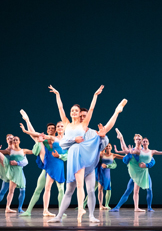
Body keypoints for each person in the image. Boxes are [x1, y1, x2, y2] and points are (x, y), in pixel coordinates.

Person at [47, 85, 127, 223]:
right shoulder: (66, 124)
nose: (73, 112)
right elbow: (60, 108)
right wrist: (57, 94)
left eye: (76, 111)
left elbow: (91, 109)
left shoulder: (84, 125)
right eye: (72, 110)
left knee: (90, 190)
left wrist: (95, 96)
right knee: (69, 190)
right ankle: (59, 216)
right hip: (74, 156)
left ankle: (89, 215)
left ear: (79, 114)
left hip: (84, 153)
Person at [114, 133, 162, 211]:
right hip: (135, 173)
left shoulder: (144, 151)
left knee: (149, 189)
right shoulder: (135, 150)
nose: (139, 140)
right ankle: (118, 207)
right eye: (137, 139)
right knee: (129, 190)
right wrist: (121, 139)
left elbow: (153, 160)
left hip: (143, 172)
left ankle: (149, 207)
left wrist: (147, 165)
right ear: (134, 140)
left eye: (140, 139)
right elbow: (126, 150)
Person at [19, 117, 67, 217]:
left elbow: (67, 154)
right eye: (49, 128)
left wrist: (61, 156)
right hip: (47, 167)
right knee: (39, 189)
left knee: (61, 189)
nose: (50, 130)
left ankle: (60, 211)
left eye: (52, 128)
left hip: (57, 165)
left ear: (55, 130)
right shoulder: (44, 140)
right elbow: (34, 134)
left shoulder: (59, 140)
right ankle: (30, 211)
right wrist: (27, 121)